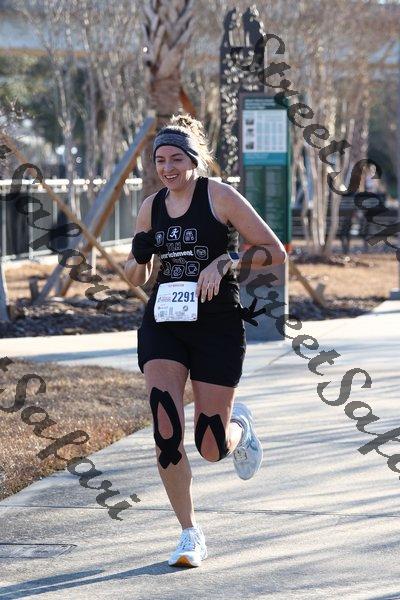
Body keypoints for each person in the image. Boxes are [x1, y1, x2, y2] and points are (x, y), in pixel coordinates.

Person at [124, 114, 287, 568]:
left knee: (212, 446)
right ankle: (188, 533)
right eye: (160, 160)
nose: (168, 168)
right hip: (164, 324)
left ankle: (240, 429)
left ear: (194, 160)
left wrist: (226, 261)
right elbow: (134, 276)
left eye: (177, 159)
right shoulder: (151, 207)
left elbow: (274, 251)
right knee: (166, 428)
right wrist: (139, 257)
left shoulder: (220, 196)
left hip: (217, 325)